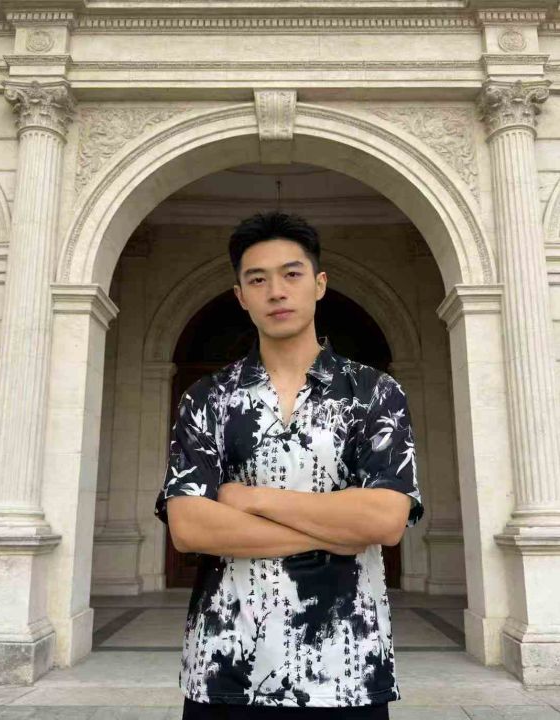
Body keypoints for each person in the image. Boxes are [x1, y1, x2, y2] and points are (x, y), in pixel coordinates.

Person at [154, 210, 425, 720]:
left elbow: (386, 520)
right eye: (258, 279)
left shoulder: (374, 393)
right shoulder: (207, 398)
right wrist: (338, 531)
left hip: (347, 670)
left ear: (319, 284)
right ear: (241, 295)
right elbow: (188, 527)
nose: (276, 291)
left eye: (291, 274)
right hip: (224, 670)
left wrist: (249, 498)